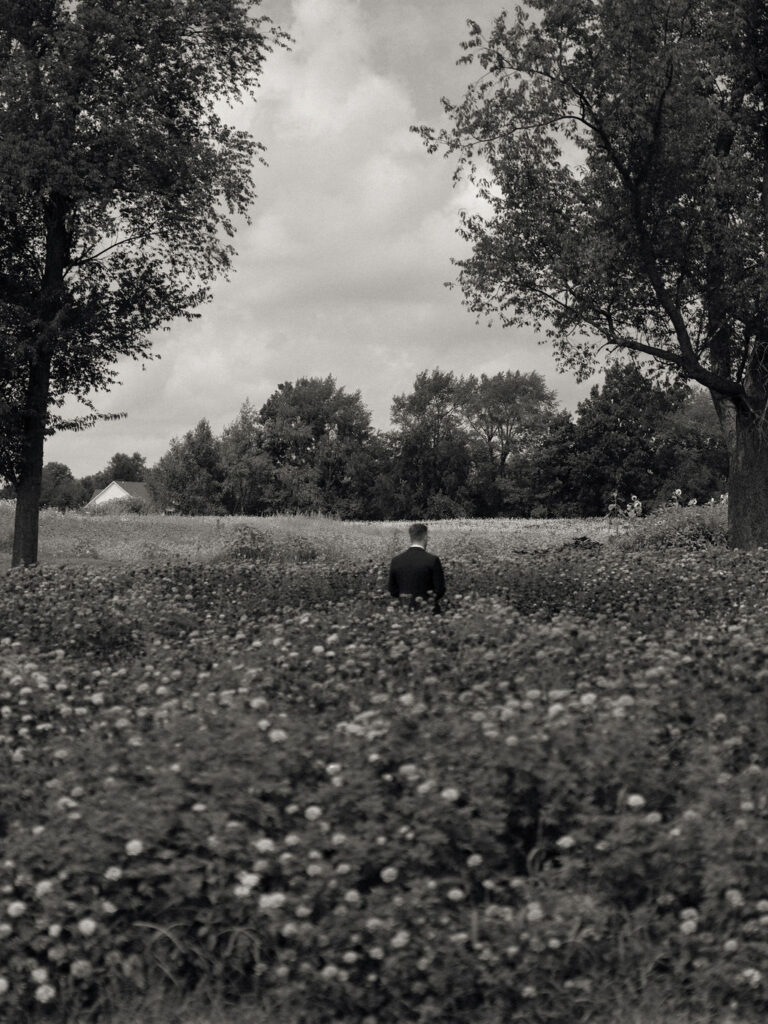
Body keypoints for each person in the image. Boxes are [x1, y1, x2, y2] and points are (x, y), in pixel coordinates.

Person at [388, 523, 446, 613]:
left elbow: (392, 590)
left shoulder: (396, 560)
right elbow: (440, 590)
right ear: (425, 537)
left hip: (405, 612)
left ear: (411, 537)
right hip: (429, 612)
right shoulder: (432, 560)